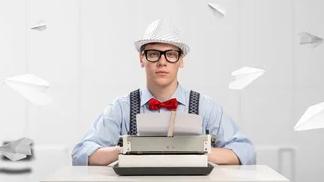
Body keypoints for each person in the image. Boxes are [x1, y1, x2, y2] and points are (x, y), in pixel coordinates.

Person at [71, 19, 256, 166]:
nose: (162, 62)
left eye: (171, 54)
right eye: (153, 54)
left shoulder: (204, 107)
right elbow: (80, 153)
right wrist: (124, 150)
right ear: (141, 59)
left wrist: (199, 152)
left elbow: (246, 151)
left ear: (180, 60)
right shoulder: (121, 108)